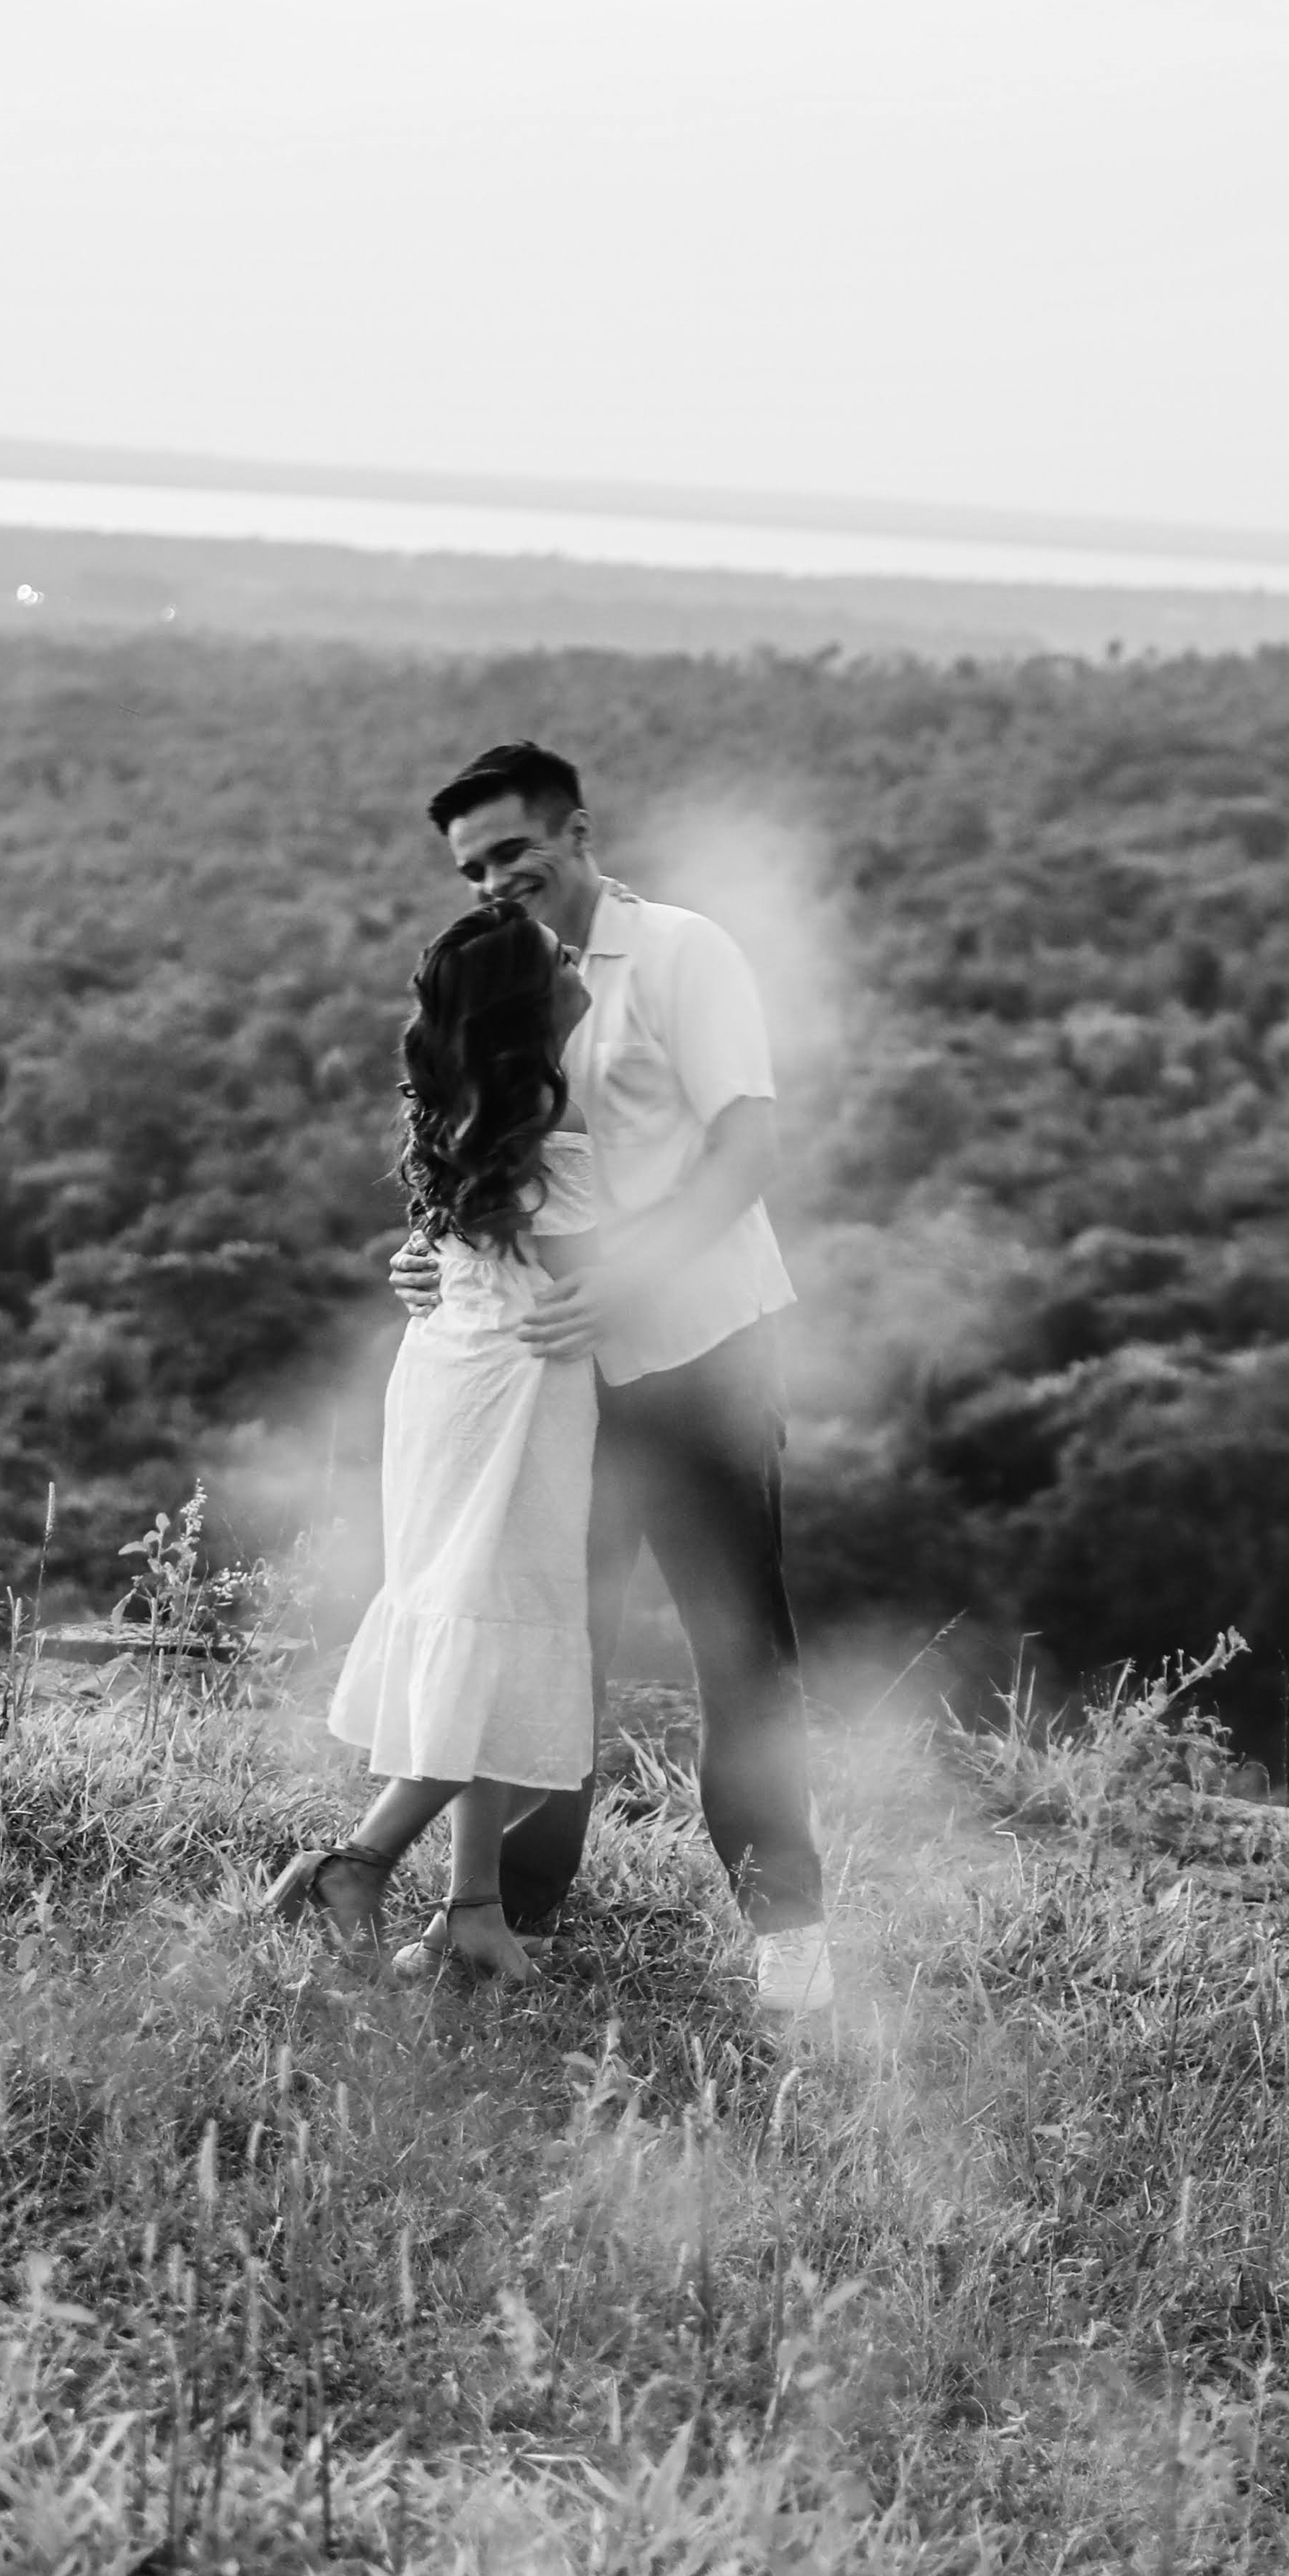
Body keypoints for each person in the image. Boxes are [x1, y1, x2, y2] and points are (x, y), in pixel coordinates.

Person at [390, 739, 832, 2020]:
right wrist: (435, 1259)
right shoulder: (500, 974)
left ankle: (790, 1936)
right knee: (550, 1640)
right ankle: (514, 1915)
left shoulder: (685, 953)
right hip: (552, 1383)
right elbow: (481, 1154)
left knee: (737, 1645)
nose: (494, 881)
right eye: (473, 869)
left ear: (577, 832)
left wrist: (632, 1278)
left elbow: (747, 1143)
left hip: (696, 1353)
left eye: (512, 851)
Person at [268, 902, 598, 1987]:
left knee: (479, 1618)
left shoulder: (475, 1116)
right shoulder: (551, 1123)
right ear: (528, 1006)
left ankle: (474, 1910)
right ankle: (355, 1863)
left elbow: (460, 1242)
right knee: (492, 1616)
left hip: (455, 1377)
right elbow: (614, 1271)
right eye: (556, 957)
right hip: (512, 1394)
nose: (575, 958)